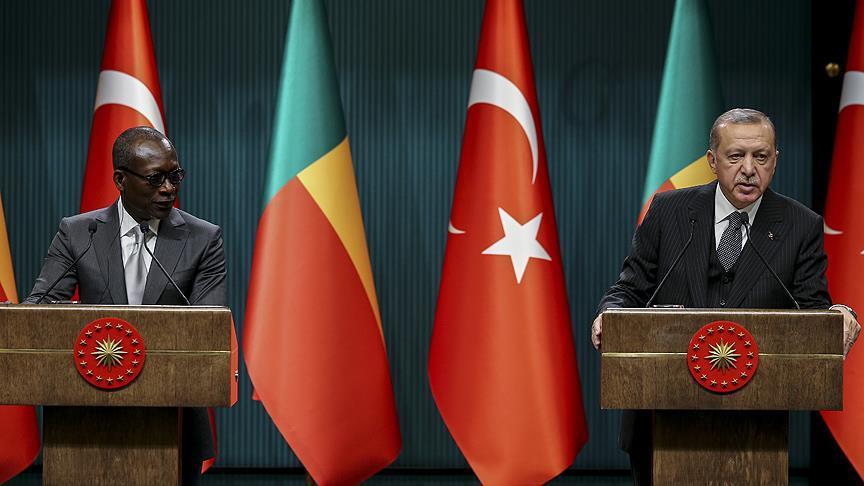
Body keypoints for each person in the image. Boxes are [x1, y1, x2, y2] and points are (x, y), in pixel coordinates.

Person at [591, 108, 861, 485]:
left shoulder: (801, 225)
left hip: (755, 432)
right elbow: (630, 289)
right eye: (736, 156)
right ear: (712, 160)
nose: (749, 169)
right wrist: (611, 315)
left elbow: (812, 311)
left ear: (775, 160)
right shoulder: (668, 211)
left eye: (761, 156)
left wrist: (839, 313)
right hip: (661, 417)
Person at [25, 126, 226, 485]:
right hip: (85, 424)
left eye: (175, 175)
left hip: (174, 423)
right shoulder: (78, 233)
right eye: (155, 179)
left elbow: (207, 331)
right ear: (120, 179)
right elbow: (38, 312)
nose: (169, 188)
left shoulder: (203, 239)